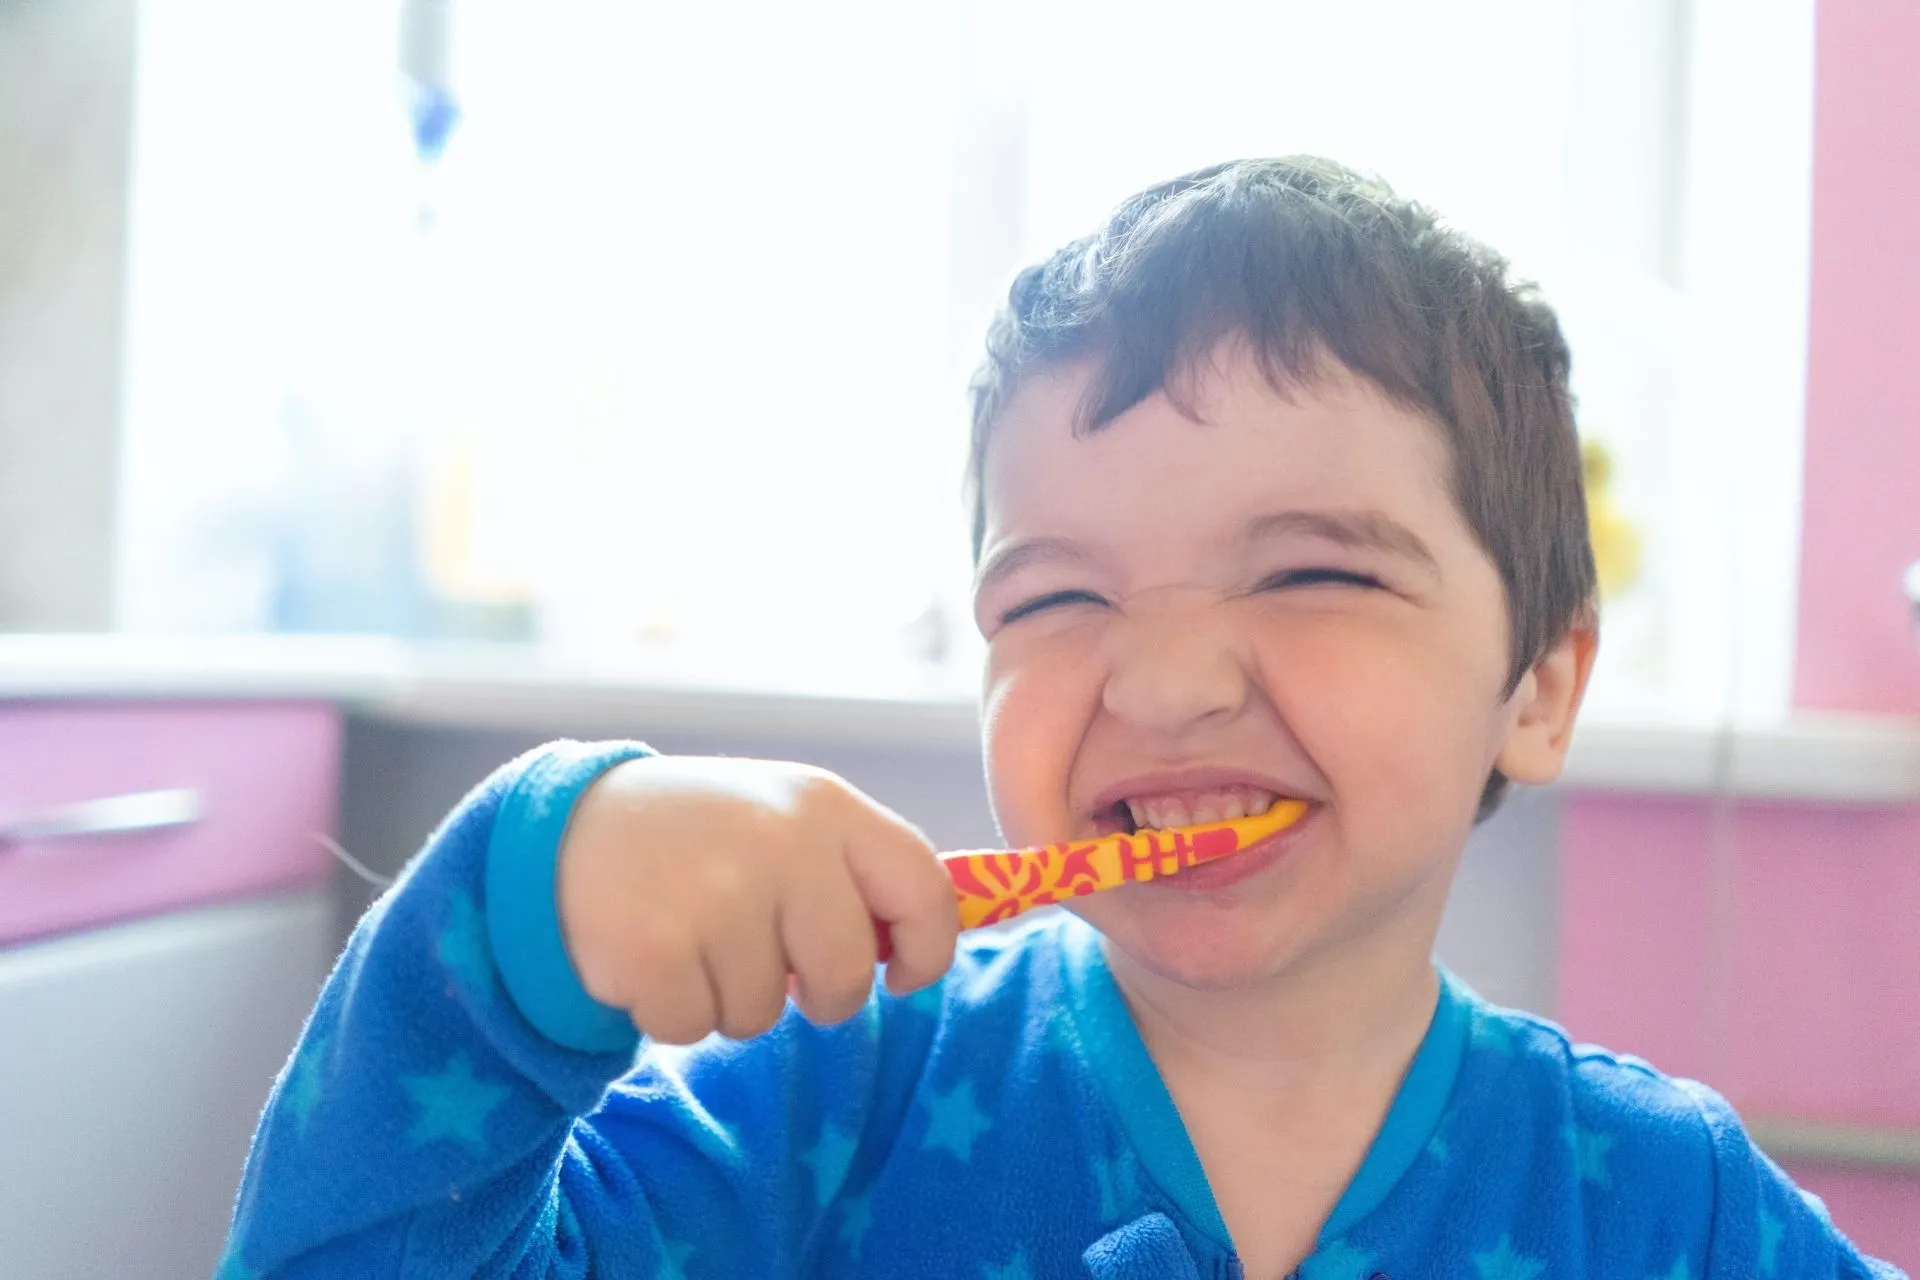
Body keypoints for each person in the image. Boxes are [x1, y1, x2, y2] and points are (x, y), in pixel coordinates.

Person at [220, 157, 1904, 1278]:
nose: (1162, 681)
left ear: (1537, 683)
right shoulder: (827, 1106)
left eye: (1316, 572)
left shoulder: (1668, 1209)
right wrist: (520, 924)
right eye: (1056, 599)